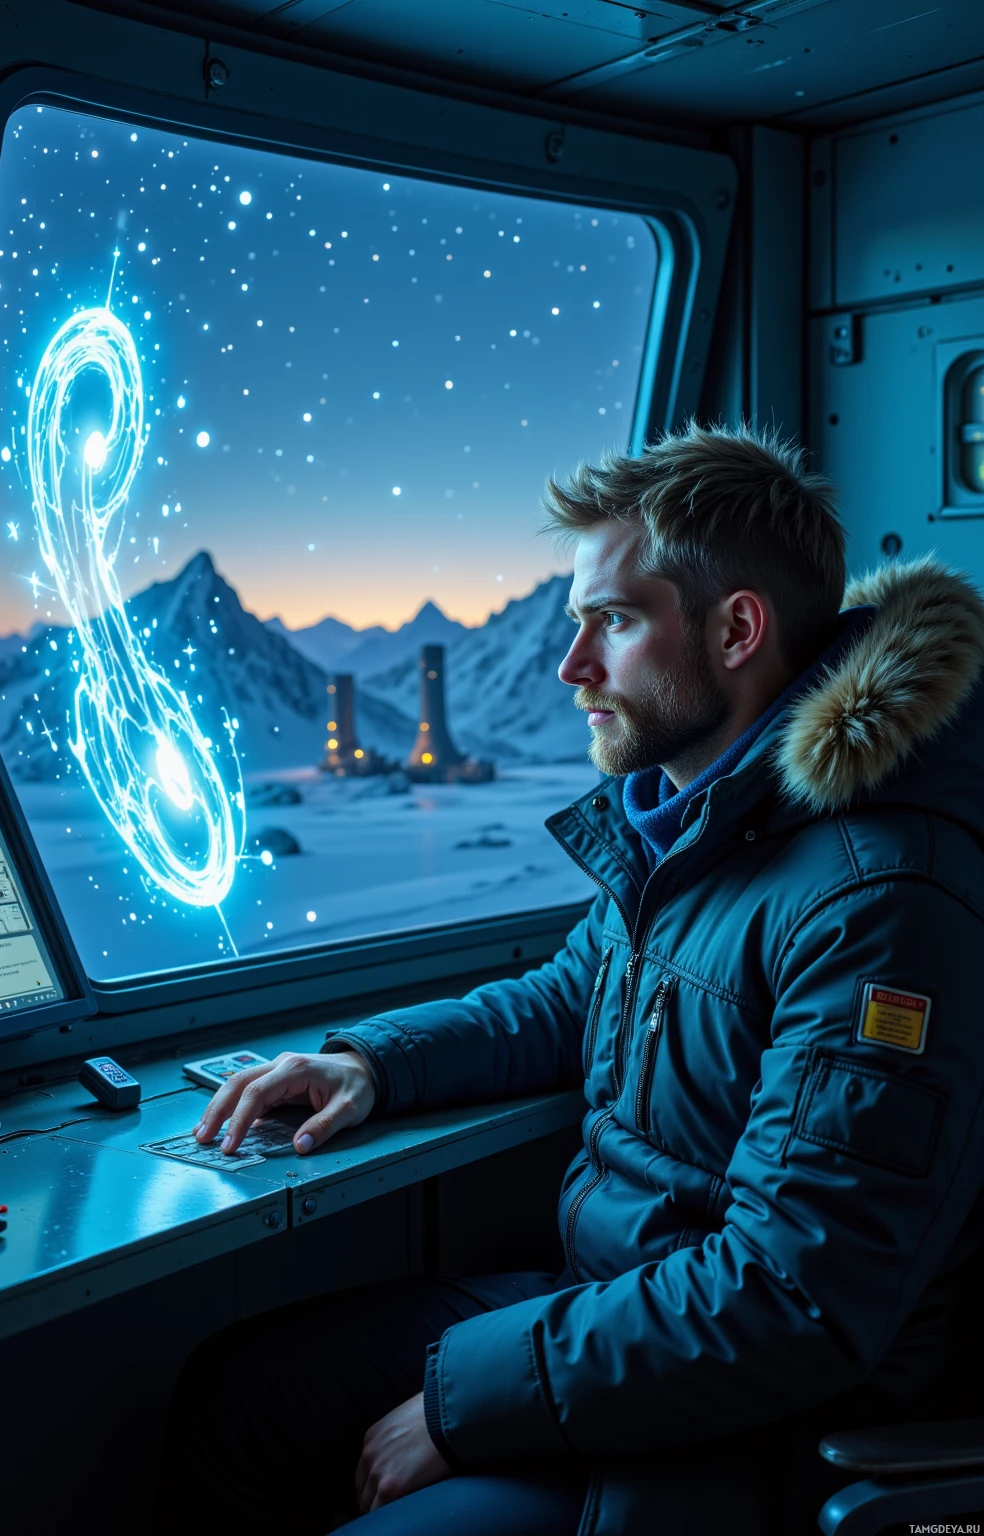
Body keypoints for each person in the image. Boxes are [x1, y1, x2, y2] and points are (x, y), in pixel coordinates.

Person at [157, 422, 984, 1536]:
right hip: (618, 1304)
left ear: (737, 630)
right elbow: (565, 998)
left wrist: (454, 1410)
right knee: (239, 1398)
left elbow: (792, 1298)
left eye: (614, 621)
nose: (572, 667)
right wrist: (370, 1065)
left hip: (753, 1419)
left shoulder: (877, 898)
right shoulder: (698, 824)